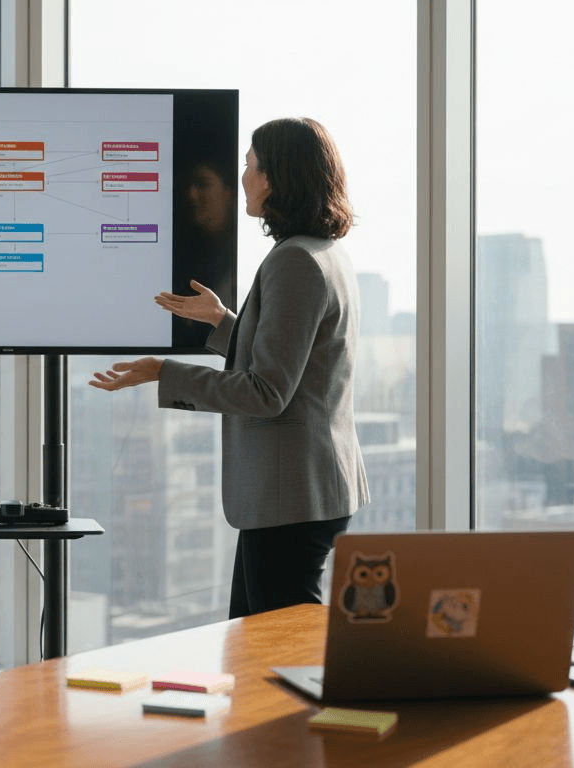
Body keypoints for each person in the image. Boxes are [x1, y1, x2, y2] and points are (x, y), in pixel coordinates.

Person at [89, 117, 369, 619]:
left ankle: (341, 704)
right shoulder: (324, 254)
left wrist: (164, 371)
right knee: (255, 641)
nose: (242, 177)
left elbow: (267, 392)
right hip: (301, 493)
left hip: (291, 496)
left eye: (250, 165)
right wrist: (223, 322)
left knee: (278, 653)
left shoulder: (294, 262)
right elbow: (299, 365)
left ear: (276, 177)